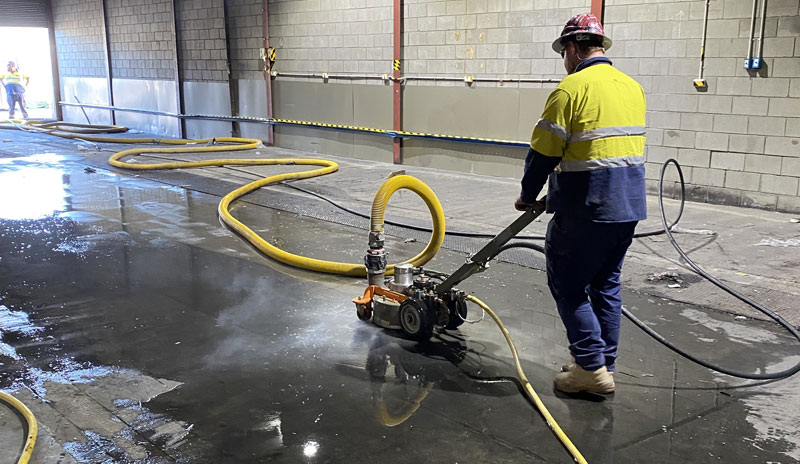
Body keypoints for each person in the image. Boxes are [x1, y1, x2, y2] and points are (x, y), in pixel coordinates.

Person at [514, 13, 647, 394]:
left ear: (573, 47)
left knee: (570, 286)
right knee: (606, 284)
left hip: (585, 206)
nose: (564, 60)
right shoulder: (632, 87)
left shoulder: (570, 90)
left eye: (563, 52)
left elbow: (542, 152)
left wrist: (527, 194)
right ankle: (603, 363)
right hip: (627, 206)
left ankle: (589, 367)